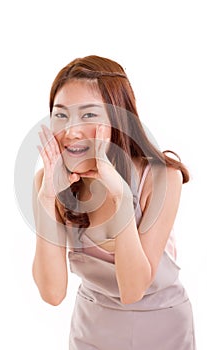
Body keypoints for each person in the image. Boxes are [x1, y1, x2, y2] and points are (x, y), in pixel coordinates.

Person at [32, 55, 196, 349]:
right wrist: (47, 198)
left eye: (89, 115)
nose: (71, 131)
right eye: (61, 114)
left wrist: (121, 197)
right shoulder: (49, 181)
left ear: (118, 117)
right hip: (92, 330)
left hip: (163, 327)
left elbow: (133, 289)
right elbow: (52, 293)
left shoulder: (162, 178)